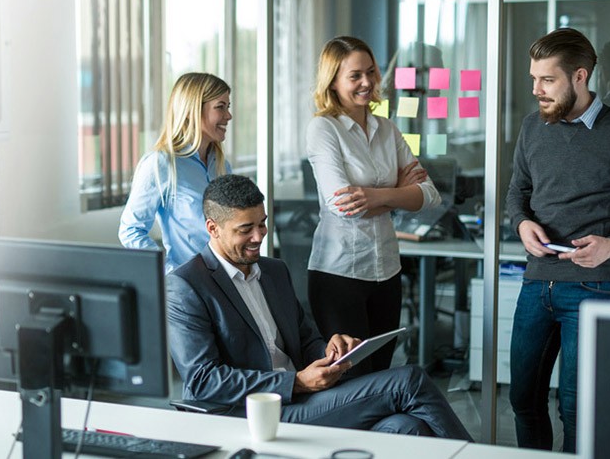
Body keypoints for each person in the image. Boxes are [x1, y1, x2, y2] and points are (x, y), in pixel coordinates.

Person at [167, 174, 472, 439]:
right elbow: (203, 380)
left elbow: (305, 338)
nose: (259, 237)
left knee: (406, 428)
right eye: (245, 229)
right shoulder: (187, 285)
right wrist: (295, 383)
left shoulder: (274, 271)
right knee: (409, 381)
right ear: (213, 228)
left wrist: (329, 350)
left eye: (262, 224)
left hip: (300, 399)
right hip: (252, 413)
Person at [505, 28, 610, 453]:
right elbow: (516, 194)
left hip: (595, 287)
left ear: (579, 77)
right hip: (536, 282)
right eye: (534, 79)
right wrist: (521, 224)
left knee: (578, 409)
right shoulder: (532, 128)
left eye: (547, 80)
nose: (536, 90)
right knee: (523, 400)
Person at [306, 36, 441, 377]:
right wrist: (399, 191)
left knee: (380, 375)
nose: (367, 82)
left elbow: (429, 196)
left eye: (371, 72)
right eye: (355, 75)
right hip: (338, 275)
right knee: (350, 381)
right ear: (333, 81)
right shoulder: (324, 128)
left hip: (387, 272)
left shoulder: (387, 129)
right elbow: (343, 204)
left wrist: (377, 196)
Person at [119, 72, 233, 273]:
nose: (228, 115)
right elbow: (131, 230)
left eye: (228, 107)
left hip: (229, 278)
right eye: (220, 107)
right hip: (190, 285)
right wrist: (172, 274)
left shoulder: (222, 165)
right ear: (192, 111)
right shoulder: (161, 164)